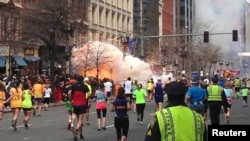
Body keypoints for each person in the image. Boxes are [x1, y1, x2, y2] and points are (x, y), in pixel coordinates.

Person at [68, 75, 90, 141]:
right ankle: (77, 130)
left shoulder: (73, 86)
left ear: (77, 80)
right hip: (82, 104)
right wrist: (88, 100)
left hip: (75, 104)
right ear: (83, 80)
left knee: (77, 119)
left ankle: (81, 135)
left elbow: (69, 93)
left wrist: (71, 99)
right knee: (80, 120)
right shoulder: (85, 86)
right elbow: (88, 94)